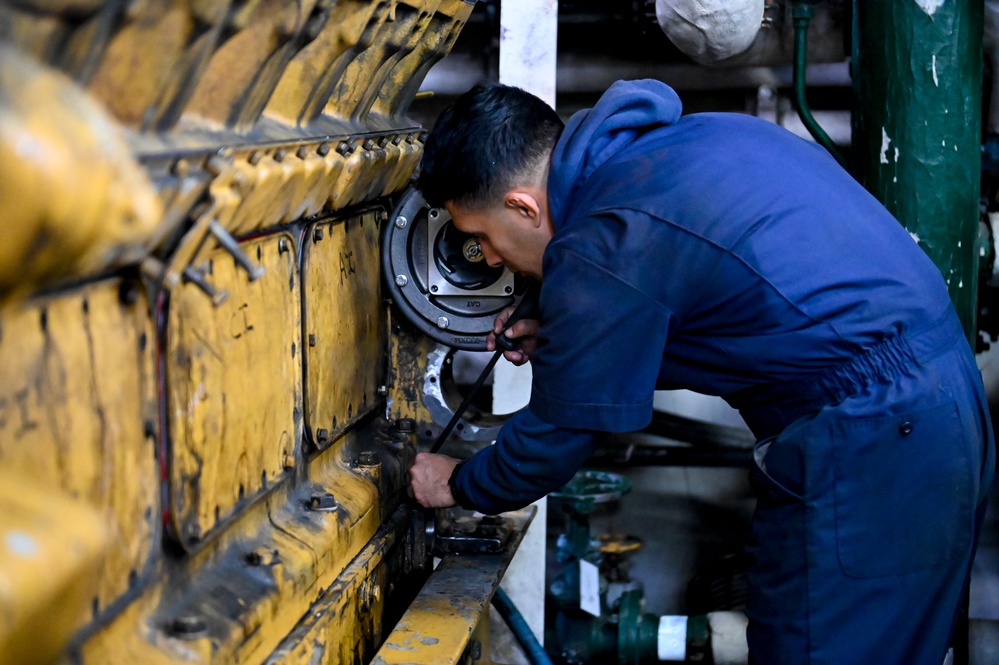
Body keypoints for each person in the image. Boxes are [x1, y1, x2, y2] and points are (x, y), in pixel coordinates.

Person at [407, 79, 995, 664]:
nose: (490, 259)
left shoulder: (606, 235)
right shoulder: (676, 147)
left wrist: (456, 483)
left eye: (481, 237)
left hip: (873, 440)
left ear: (521, 206)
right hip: (934, 406)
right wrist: (569, 335)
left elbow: (557, 436)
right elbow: (735, 306)